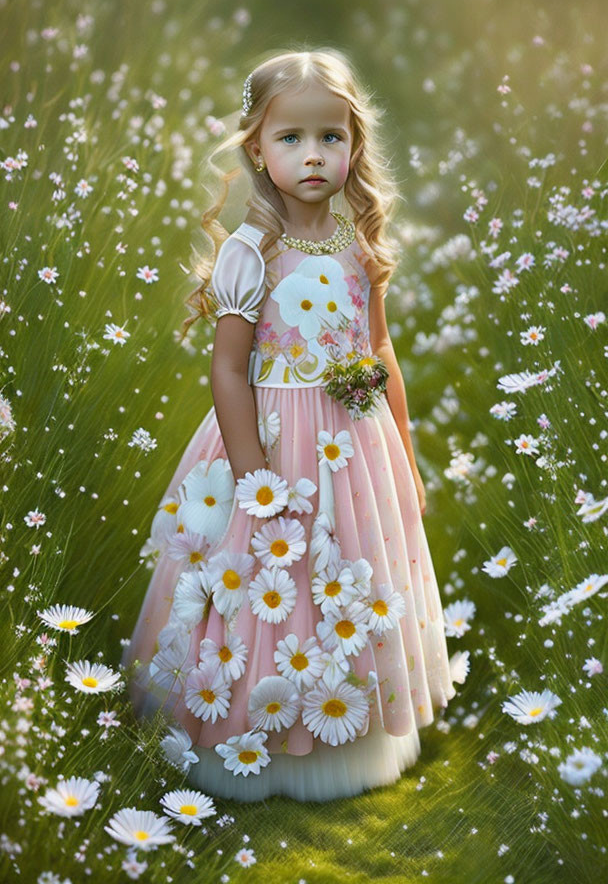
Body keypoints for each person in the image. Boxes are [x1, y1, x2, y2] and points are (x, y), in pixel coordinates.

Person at [121, 47, 457, 803]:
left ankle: (348, 737)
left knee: (351, 577)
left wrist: (404, 455)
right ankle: (250, 736)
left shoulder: (359, 247)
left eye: (330, 138)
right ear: (256, 149)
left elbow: (376, 349)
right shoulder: (253, 255)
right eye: (291, 138)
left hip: (353, 443)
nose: (313, 155)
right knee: (273, 580)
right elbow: (228, 371)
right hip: (270, 444)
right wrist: (253, 482)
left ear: (353, 146)